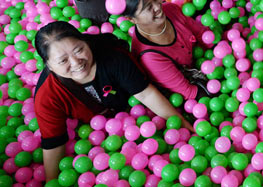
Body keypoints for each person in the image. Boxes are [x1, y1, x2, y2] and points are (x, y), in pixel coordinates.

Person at [33, 21, 194, 181]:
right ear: (49, 66)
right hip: (94, 136)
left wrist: (185, 128)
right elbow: (54, 142)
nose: (76, 62)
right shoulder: (47, 95)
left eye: (79, 50)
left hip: (133, 112)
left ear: (86, 42)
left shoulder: (114, 57)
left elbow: (146, 94)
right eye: (63, 61)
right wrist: (52, 182)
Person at [117, 0, 212, 100]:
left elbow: (202, 35)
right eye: (148, 7)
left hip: (206, 63)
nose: (157, 7)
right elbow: (188, 92)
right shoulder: (150, 57)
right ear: (132, 19)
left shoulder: (171, 9)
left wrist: (218, 57)